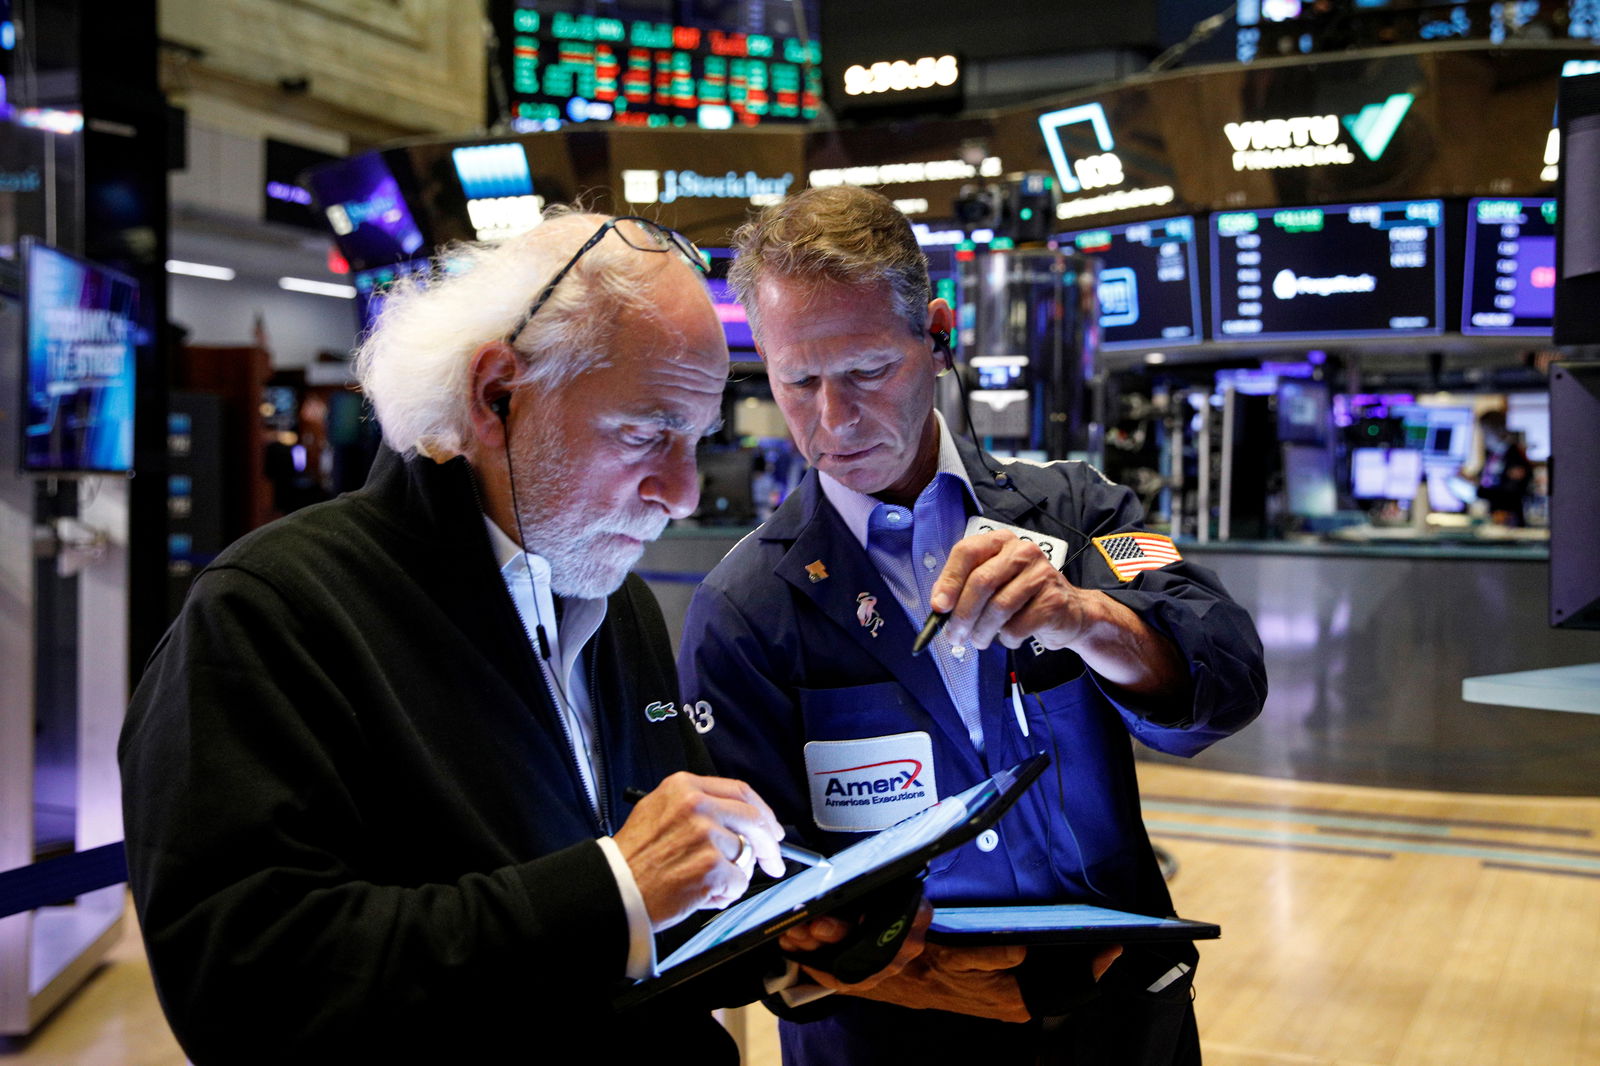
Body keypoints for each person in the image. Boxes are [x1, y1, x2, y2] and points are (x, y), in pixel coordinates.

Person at [119, 210, 898, 1065]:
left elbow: (654, 922)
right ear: (497, 395)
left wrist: (788, 934)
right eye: (646, 432)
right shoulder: (272, 612)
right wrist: (614, 889)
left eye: (696, 439)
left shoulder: (616, 605)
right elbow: (245, 990)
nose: (681, 493)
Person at [678, 186, 1268, 1065]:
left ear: (938, 335)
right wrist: (920, 978)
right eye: (798, 381)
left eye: (869, 371)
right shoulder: (742, 610)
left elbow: (1227, 674)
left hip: (1117, 1024)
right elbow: (753, 897)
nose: (834, 420)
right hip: (890, 1045)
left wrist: (1088, 620)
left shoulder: (1085, 514)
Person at [1474, 408, 1531, 526]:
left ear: (1499, 429)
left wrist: (1481, 490)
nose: (1484, 436)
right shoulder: (1492, 454)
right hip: (1493, 516)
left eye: (1486, 431)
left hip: (1510, 519)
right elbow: (1485, 479)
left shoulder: (1515, 455)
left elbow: (1512, 492)